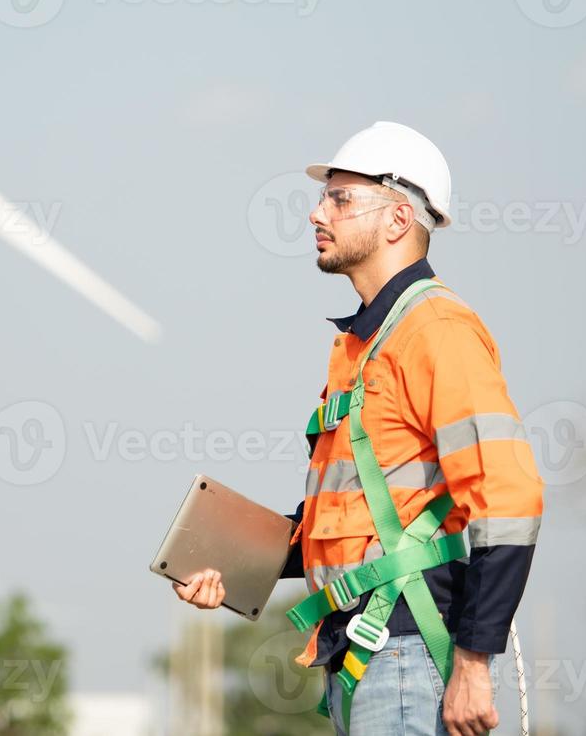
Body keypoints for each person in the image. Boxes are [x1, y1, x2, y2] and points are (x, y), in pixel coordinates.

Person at [174, 122, 545, 736]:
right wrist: (223, 565)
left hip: (409, 658)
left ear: (399, 218)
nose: (317, 213)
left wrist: (475, 663)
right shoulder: (365, 343)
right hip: (362, 660)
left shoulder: (436, 330)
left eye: (340, 199)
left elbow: (508, 496)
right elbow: (349, 523)